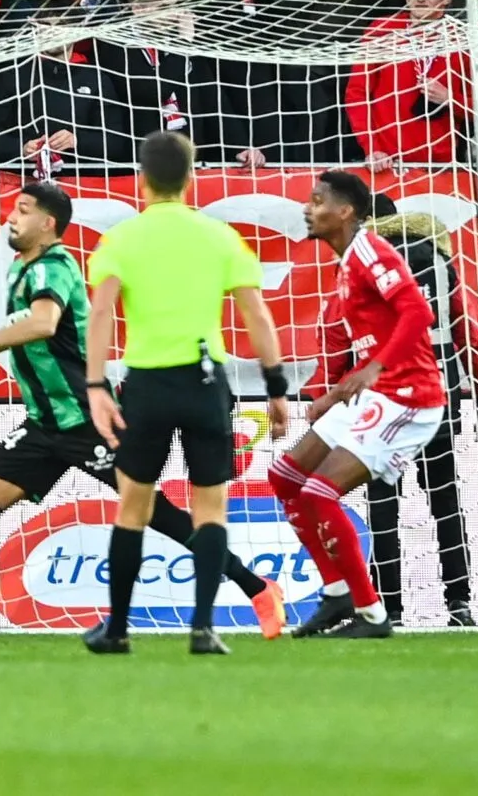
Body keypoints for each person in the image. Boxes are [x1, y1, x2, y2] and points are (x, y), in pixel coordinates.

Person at [0, 175, 289, 646]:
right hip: (45, 425)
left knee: (154, 513)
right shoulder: (24, 268)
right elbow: (29, 326)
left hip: (83, 420)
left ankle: (259, 588)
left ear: (48, 223)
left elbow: (44, 322)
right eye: (13, 209)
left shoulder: (55, 266)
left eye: (23, 210)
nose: (12, 218)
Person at [81, 132, 291, 655]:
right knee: (211, 510)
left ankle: (119, 629)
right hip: (204, 383)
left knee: (132, 505)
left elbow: (101, 312)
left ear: (142, 179)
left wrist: (95, 385)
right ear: (191, 178)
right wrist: (277, 388)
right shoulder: (218, 236)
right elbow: (256, 314)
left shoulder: (122, 240)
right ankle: (202, 628)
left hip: (148, 384)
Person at [266, 172, 444, 640]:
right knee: (284, 477)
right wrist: (335, 390)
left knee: (318, 493)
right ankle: (337, 591)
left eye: (317, 200)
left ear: (345, 212)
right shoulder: (345, 263)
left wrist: (375, 369)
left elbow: (417, 313)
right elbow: (374, 337)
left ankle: (371, 613)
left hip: (408, 396)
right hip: (373, 391)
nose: (308, 208)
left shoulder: (370, 251)